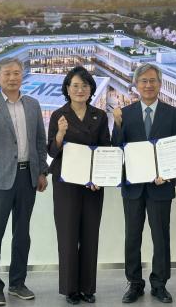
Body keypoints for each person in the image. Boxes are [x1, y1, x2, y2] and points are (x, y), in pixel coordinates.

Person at [0, 57, 49, 306]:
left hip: (28, 176)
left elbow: (40, 140)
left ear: (22, 75)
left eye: (16, 73)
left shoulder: (33, 104)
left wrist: (42, 172)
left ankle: (18, 283)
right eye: (7, 73)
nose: (12, 77)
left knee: (22, 233)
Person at [112, 63, 176, 304]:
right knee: (132, 236)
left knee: (161, 237)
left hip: (161, 186)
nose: (148, 85)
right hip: (133, 188)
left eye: (153, 81)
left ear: (160, 84)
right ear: (136, 85)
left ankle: (159, 284)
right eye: (143, 81)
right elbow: (116, 148)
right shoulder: (125, 113)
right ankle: (134, 284)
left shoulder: (173, 114)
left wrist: (170, 174)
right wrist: (117, 124)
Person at [47, 66, 111, 305]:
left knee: (90, 235)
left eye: (85, 86)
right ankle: (70, 289)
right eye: (75, 85)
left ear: (91, 89)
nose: (80, 90)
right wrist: (60, 134)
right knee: (68, 235)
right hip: (66, 184)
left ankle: (87, 288)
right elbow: (51, 151)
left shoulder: (99, 115)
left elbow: (105, 148)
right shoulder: (59, 115)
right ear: (67, 88)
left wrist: (100, 178)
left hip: (93, 185)